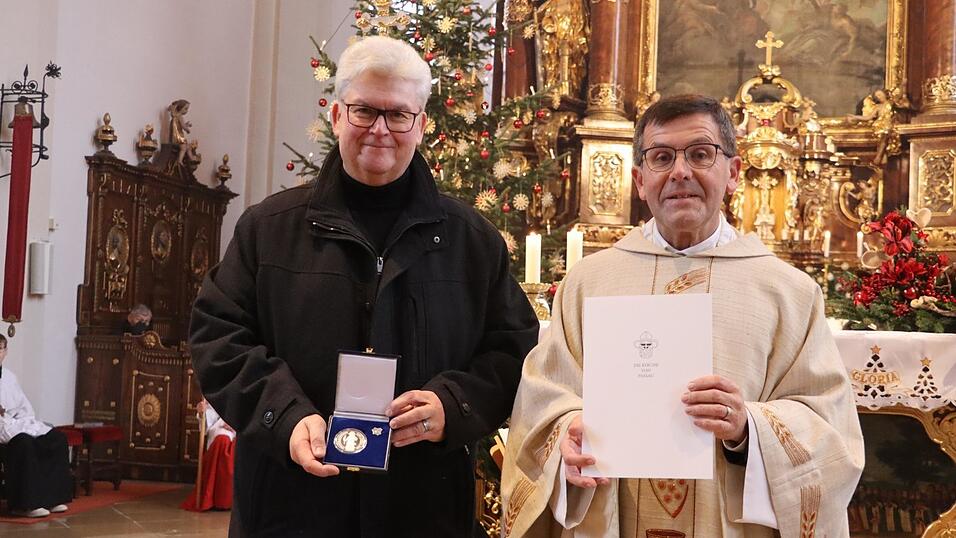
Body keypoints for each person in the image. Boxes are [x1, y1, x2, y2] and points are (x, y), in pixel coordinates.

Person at [189, 35, 538, 537]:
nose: (380, 129)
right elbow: (218, 341)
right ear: (336, 116)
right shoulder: (267, 229)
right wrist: (284, 416)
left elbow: (513, 352)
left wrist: (453, 405)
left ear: (421, 124)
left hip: (422, 505)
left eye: (398, 115)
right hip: (292, 503)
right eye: (363, 111)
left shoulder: (472, 241)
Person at [501, 94, 864, 537]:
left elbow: (829, 426)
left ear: (732, 173)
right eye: (661, 157)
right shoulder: (589, 282)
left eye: (700, 154)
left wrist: (748, 426)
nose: (679, 172)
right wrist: (566, 437)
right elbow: (543, 399)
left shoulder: (787, 292)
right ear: (639, 180)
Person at [0, 335, 72, 518]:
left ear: (6, 351)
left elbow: (24, 408)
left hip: (15, 423)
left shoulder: (9, 377)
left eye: (1, 349)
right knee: (24, 443)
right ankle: (24, 504)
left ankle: (52, 498)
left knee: (56, 438)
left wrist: (25, 423)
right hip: (3, 430)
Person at [181, 399, 235, 512]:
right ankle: (219, 499)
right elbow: (210, 416)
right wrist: (202, 413)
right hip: (221, 428)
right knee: (222, 441)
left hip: (242, 430)